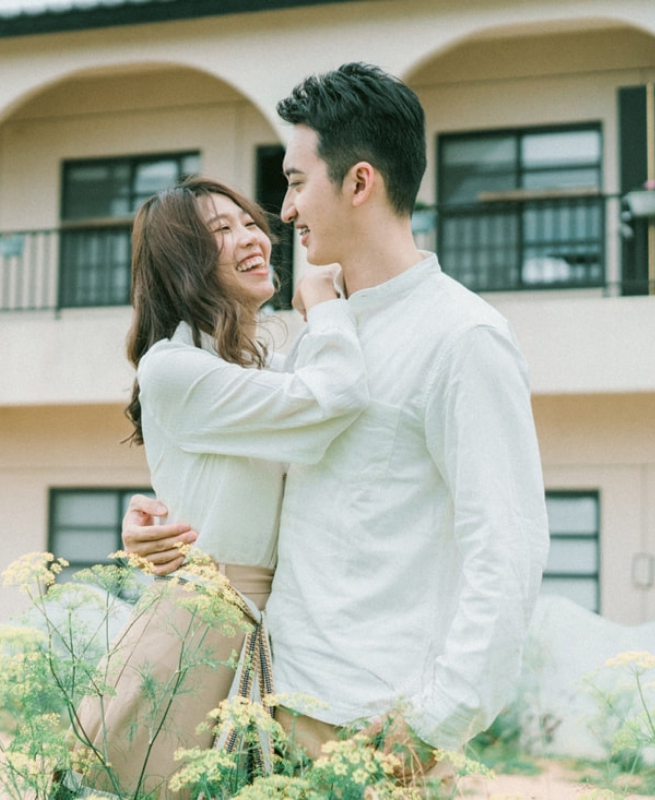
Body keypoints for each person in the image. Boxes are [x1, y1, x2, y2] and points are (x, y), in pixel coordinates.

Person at [122, 62, 551, 784]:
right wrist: (162, 527)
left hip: (374, 728)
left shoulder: (462, 337)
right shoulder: (312, 341)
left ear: (358, 183)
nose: (282, 213)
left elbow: (506, 548)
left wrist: (435, 724)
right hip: (266, 707)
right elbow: (252, 481)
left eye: (294, 182)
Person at [69, 176, 369, 799]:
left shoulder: (256, 365)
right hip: (195, 631)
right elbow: (334, 397)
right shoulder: (173, 367)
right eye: (220, 231)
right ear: (184, 264)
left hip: (257, 624)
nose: (253, 238)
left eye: (249, 221)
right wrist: (327, 304)